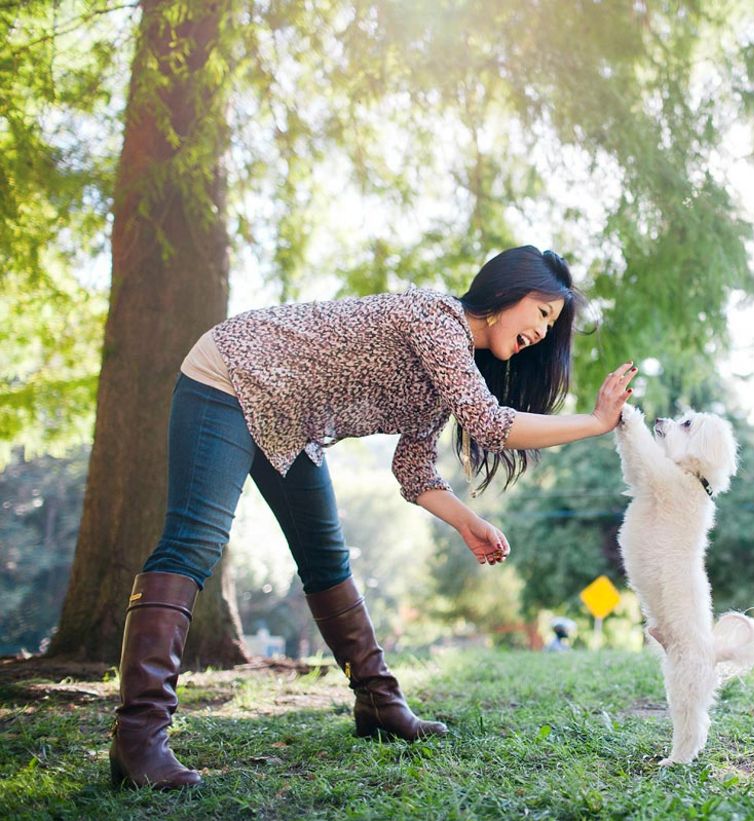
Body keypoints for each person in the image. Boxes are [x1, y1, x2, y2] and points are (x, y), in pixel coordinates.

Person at [110, 246, 637, 789]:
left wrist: (465, 522)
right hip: (231, 374)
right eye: (544, 313)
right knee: (194, 542)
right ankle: (138, 739)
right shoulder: (437, 319)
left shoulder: (451, 366)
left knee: (326, 561)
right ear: (508, 292)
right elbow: (489, 423)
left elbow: (413, 469)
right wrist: (597, 422)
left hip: (290, 418)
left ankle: (379, 704)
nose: (545, 332)